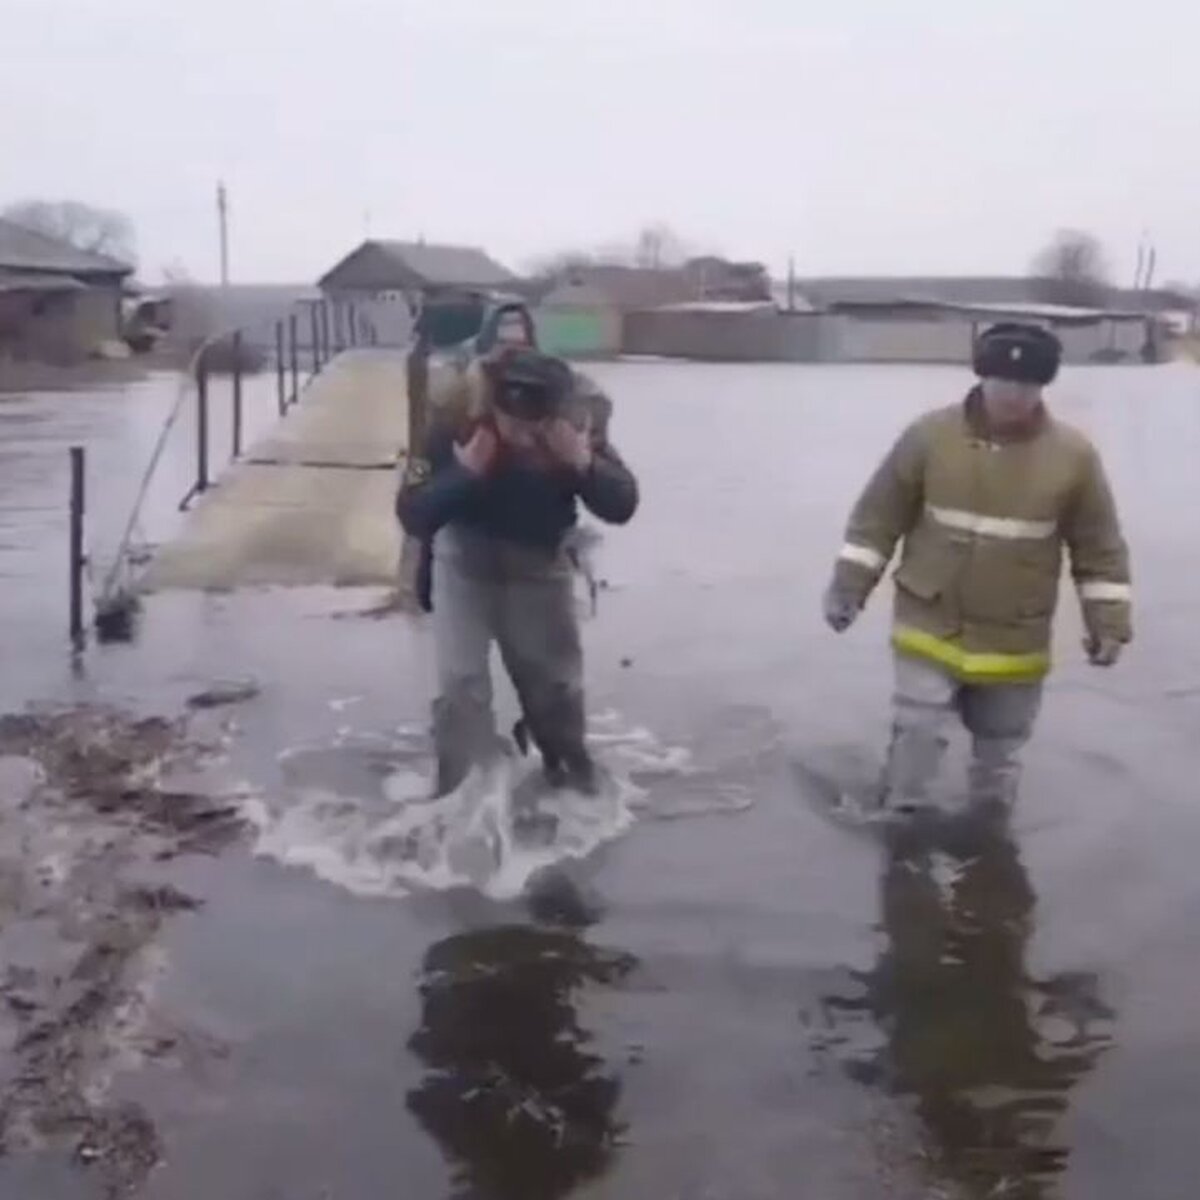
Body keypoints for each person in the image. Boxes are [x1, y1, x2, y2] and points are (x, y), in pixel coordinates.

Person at [822, 322, 1132, 811]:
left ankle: (989, 842)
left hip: (1015, 636)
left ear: (1043, 386)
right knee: (918, 731)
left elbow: (1100, 549)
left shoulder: (1074, 457)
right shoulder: (928, 437)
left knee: (1000, 754)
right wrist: (848, 588)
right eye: (1001, 382)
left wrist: (1109, 624)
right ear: (981, 377)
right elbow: (877, 518)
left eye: (1026, 385)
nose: (1012, 395)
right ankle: (900, 826)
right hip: (928, 620)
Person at [396, 344, 639, 797]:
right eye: (514, 423)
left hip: (539, 567)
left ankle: (569, 779)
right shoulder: (457, 423)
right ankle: (457, 797)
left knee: (554, 688)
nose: (525, 436)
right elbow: (413, 513)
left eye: (536, 426)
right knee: (461, 684)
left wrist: (584, 465)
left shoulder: (573, 428)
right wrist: (464, 474)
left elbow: (623, 504)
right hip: (463, 561)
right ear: (495, 406)